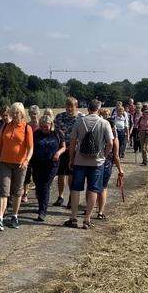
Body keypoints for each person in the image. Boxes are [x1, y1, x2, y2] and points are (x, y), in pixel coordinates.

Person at [64, 99, 116, 229]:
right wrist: (104, 154)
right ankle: (87, 219)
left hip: (80, 161)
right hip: (97, 161)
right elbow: (110, 143)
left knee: (76, 189)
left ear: (88, 109)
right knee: (93, 189)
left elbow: (72, 142)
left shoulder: (79, 121)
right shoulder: (104, 123)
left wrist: (71, 158)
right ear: (98, 109)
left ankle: (73, 218)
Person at [0, 102, 33, 230]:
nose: (15, 115)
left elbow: (30, 148)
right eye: (13, 112)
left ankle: (14, 216)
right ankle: (0, 218)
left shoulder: (27, 128)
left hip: (20, 165)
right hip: (4, 162)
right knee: (3, 191)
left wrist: (26, 160)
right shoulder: (5, 127)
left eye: (17, 112)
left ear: (22, 114)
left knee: (17, 191)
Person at [29, 113, 65, 221]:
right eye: (42, 126)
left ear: (51, 124)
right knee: (38, 185)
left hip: (52, 164)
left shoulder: (57, 133)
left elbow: (63, 147)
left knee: (45, 185)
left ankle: (42, 211)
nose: (44, 128)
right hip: (37, 163)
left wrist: (58, 153)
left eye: (46, 126)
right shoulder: (36, 134)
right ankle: (41, 204)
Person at [96, 108, 124, 219]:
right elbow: (116, 156)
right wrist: (120, 169)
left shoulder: (98, 135)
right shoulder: (114, 139)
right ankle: (100, 212)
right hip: (107, 163)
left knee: (92, 187)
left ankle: (90, 208)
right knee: (103, 187)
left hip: (95, 161)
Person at [53, 97, 80, 207]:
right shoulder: (59, 117)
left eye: (71, 106)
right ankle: (60, 196)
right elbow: (54, 131)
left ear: (76, 107)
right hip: (61, 148)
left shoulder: (81, 118)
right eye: (67, 106)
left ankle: (71, 197)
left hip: (74, 150)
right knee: (61, 174)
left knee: (71, 174)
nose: (69, 108)